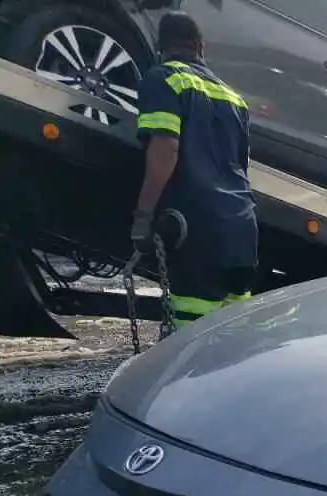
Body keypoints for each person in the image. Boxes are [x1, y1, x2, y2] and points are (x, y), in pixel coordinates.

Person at [131, 13, 257, 329]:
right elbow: (240, 166)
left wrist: (143, 215)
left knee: (192, 344)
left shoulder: (163, 79)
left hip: (196, 229)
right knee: (233, 334)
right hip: (242, 229)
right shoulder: (235, 98)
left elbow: (166, 148)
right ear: (201, 47)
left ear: (161, 47)